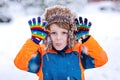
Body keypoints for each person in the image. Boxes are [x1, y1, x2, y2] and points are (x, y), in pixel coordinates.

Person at [14, 6, 108, 80]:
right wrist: (34, 41)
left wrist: (86, 39)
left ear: (71, 33)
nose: (58, 38)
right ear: (47, 33)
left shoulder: (78, 51)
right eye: (53, 33)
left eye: (64, 33)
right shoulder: (42, 52)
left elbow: (101, 60)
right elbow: (20, 63)